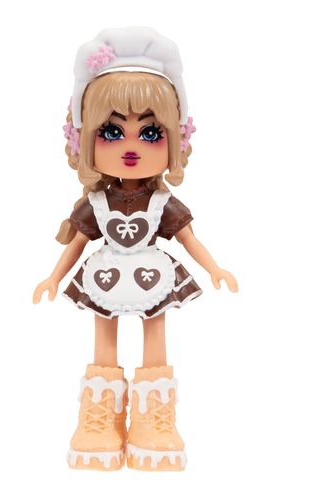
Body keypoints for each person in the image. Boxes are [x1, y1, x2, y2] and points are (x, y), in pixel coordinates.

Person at [33, 27, 238, 471]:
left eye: (150, 133)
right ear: (85, 139)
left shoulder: (162, 201)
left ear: (175, 140)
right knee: (104, 337)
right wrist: (53, 276)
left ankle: (154, 419)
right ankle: (99, 417)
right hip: (106, 272)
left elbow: (188, 238)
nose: (130, 147)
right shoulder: (96, 202)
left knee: (154, 335)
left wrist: (215, 268)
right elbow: (80, 240)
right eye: (111, 131)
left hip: (153, 272)